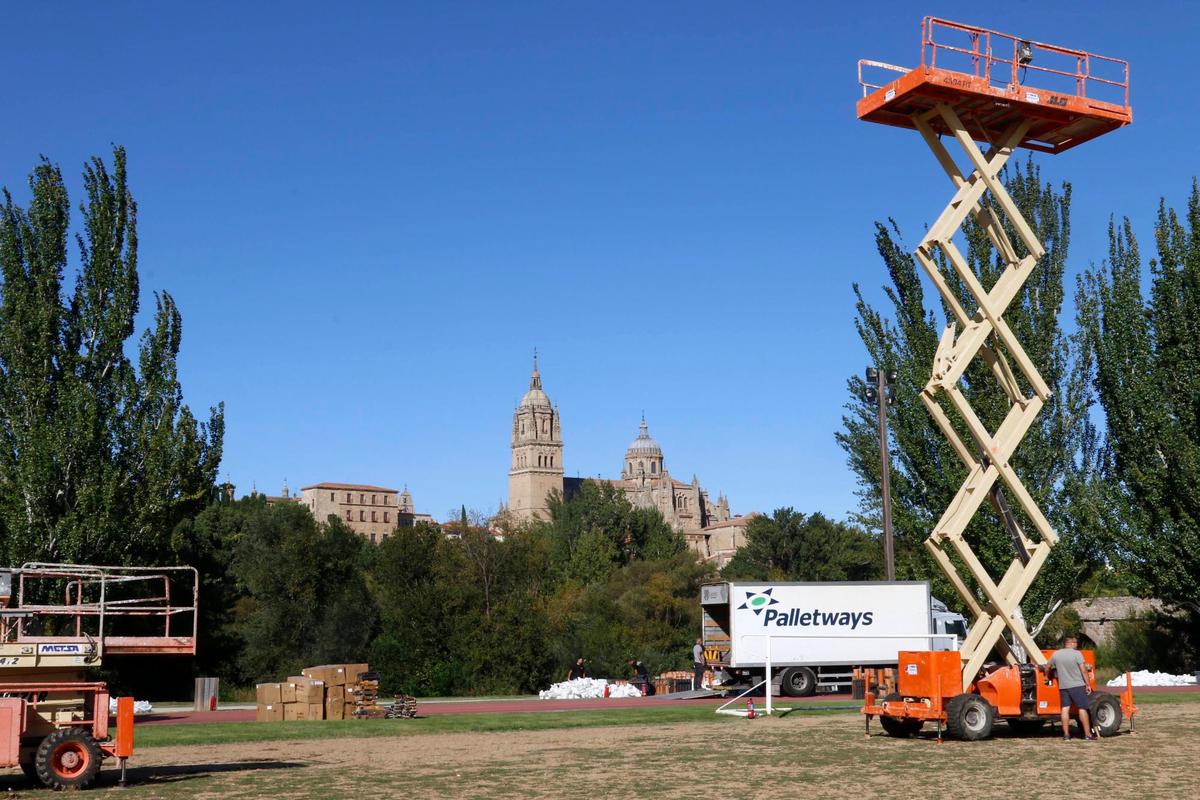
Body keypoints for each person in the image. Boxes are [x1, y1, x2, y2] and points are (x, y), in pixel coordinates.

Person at [1046, 634, 1095, 741]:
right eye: (1076, 643)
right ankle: (1087, 735)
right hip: (1077, 685)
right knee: (1082, 709)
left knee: (1065, 709)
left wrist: (1046, 676)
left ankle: (1066, 735)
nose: (1077, 645)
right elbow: (1083, 670)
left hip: (1063, 686)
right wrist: (1088, 684)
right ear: (1071, 643)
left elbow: (1048, 666)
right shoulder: (1077, 654)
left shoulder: (1056, 654)